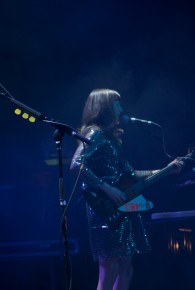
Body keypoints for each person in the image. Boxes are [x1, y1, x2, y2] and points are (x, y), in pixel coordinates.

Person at [70, 89, 184, 290]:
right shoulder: (94, 132)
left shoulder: (111, 137)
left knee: (126, 267)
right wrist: (106, 188)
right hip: (104, 207)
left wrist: (166, 170)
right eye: (116, 103)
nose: (121, 108)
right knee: (109, 267)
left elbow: (131, 175)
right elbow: (76, 164)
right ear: (103, 106)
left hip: (124, 205)